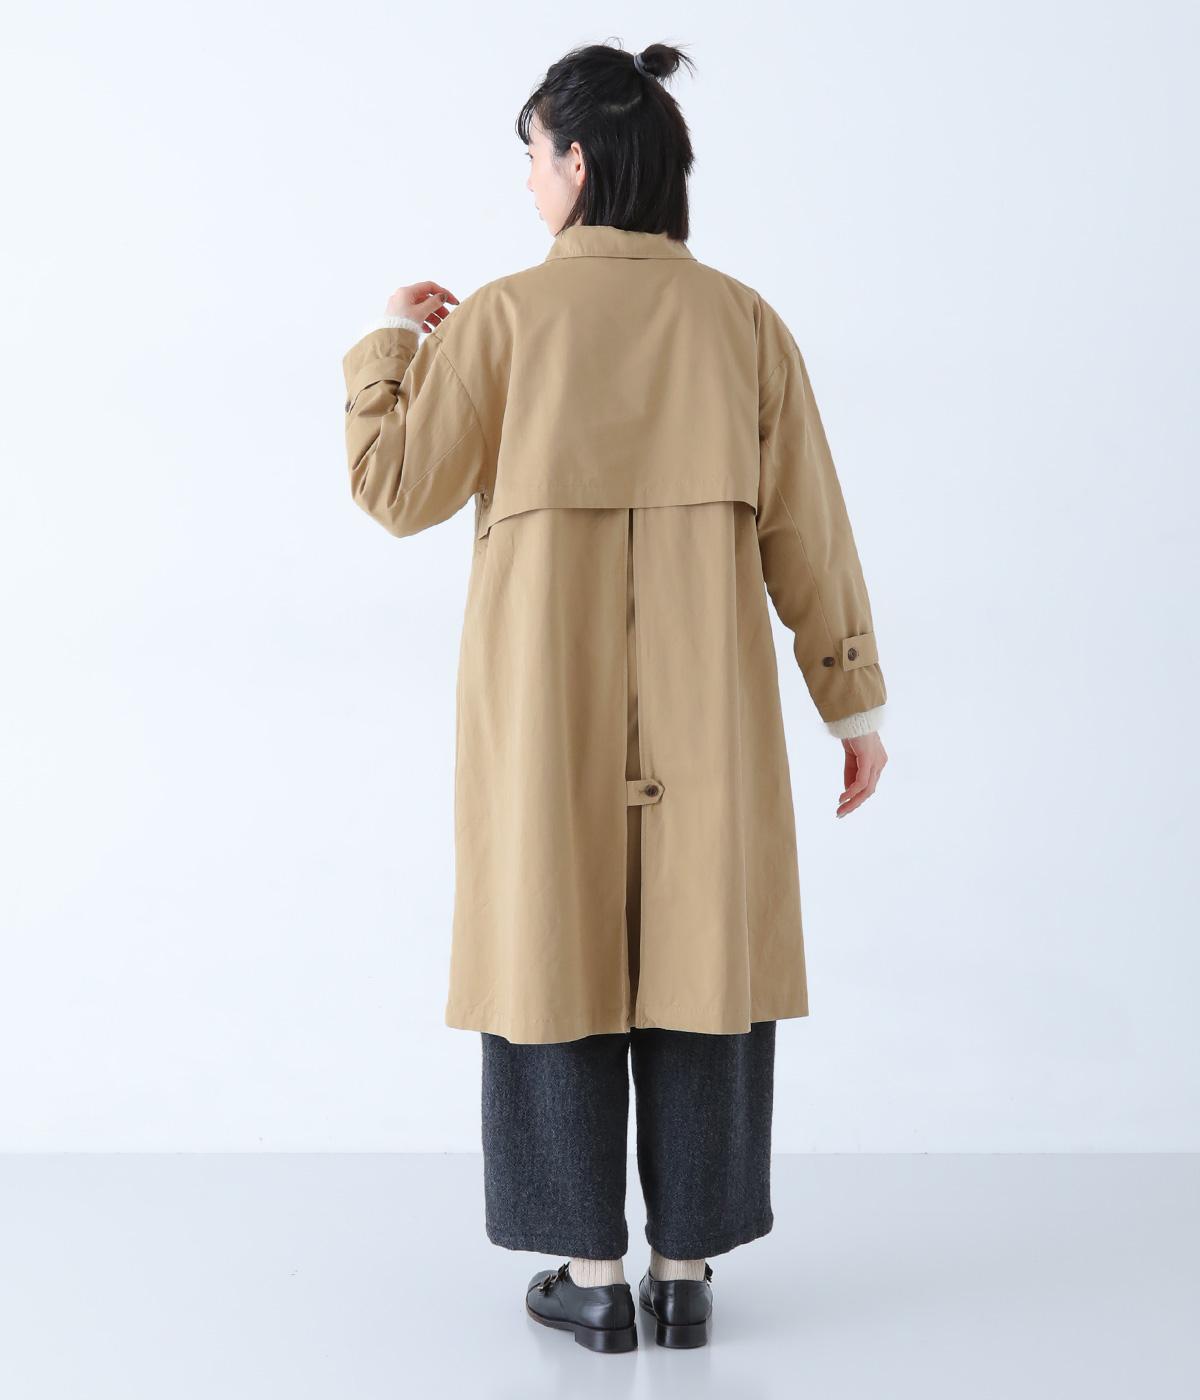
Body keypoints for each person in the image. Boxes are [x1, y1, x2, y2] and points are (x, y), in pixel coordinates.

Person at [340, 39, 889, 1354]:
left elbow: (395, 489)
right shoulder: (744, 325)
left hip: (547, 719)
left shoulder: (501, 324)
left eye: (534, 155)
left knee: (554, 953)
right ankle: (683, 1273)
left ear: (579, 162)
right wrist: (853, 706)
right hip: (714, 719)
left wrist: (387, 348)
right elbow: (812, 535)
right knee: (704, 955)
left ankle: (590, 1276)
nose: (529, 181)